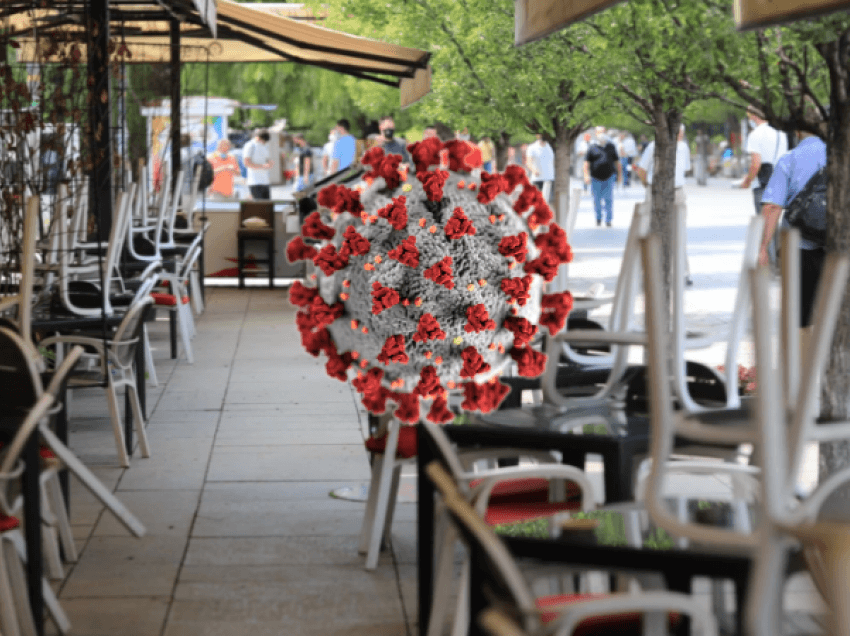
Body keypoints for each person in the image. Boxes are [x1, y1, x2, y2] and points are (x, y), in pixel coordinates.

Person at [759, 127, 826, 331]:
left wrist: (763, 248)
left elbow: (772, 207)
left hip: (799, 245)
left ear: (797, 131)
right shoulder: (841, 153)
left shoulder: (790, 158)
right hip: (837, 246)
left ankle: (805, 358)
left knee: (800, 313)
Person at [636, 125, 693, 285]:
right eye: (679, 133)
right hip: (666, 190)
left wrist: (646, 185)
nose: (680, 136)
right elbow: (642, 170)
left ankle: (676, 272)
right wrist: (647, 186)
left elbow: (642, 170)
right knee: (665, 231)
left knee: (669, 231)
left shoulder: (677, 147)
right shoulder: (659, 146)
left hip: (668, 191)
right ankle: (668, 272)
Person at [740, 105, 788, 214]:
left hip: (763, 186)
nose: (749, 119)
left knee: (763, 225)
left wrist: (747, 181)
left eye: (749, 115)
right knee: (773, 223)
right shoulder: (781, 134)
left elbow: (756, 164)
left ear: (755, 116)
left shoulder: (755, 134)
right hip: (780, 185)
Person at [584, 126, 621, 227]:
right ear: (595, 133)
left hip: (609, 177)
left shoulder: (611, 146)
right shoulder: (592, 147)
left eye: (603, 132)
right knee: (597, 199)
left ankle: (608, 219)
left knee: (608, 199)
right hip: (596, 178)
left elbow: (617, 161)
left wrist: (620, 176)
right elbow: (586, 163)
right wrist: (586, 175)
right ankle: (598, 218)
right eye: (599, 132)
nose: (601, 134)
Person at [242, 128, 272, 200]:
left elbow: (267, 160)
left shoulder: (265, 146)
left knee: (268, 207)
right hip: (255, 182)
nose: (264, 142)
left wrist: (270, 163)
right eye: (263, 141)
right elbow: (246, 163)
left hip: (265, 182)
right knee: (259, 208)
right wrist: (262, 166)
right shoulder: (250, 145)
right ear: (258, 137)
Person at [525, 134, 555, 203]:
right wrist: (534, 170)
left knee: (549, 203)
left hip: (550, 179)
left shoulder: (551, 147)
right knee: (537, 203)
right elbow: (529, 162)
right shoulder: (532, 147)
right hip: (537, 180)